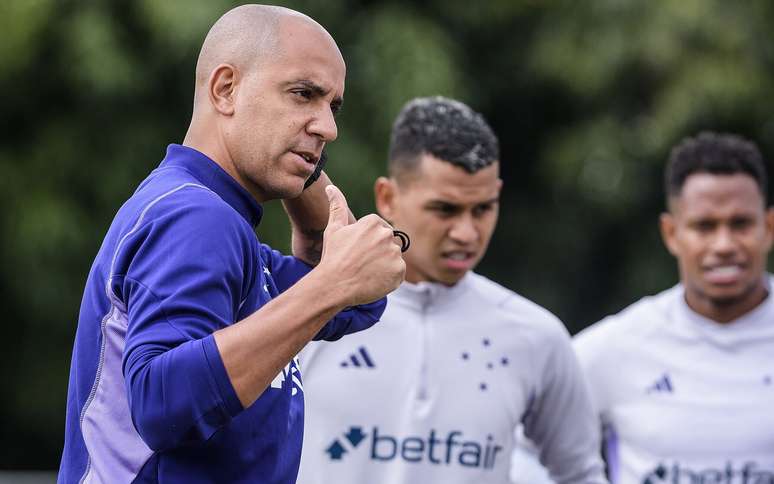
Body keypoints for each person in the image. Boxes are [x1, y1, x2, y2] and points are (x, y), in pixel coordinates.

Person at [57, 5, 405, 483]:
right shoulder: (197, 218)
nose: (329, 127)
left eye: (332, 107)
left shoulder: (223, 225)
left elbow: (360, 300)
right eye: (303, 94)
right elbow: (162, 403)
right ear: (226, 89)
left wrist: (308, 180)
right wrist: (330, 284)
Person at [297, 96, 607, 484]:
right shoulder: (311, 309)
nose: (466, 233)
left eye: (483, 209)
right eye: (445, 210)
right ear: (388, 197)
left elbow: (580, 474)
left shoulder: (536, 336)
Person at [574, 132, 774, 483]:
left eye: (740, 224)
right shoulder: (618, 345)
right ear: (671, 233)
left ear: (768, 228)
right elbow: (526, 447)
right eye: (704, 226)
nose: (724, 244)